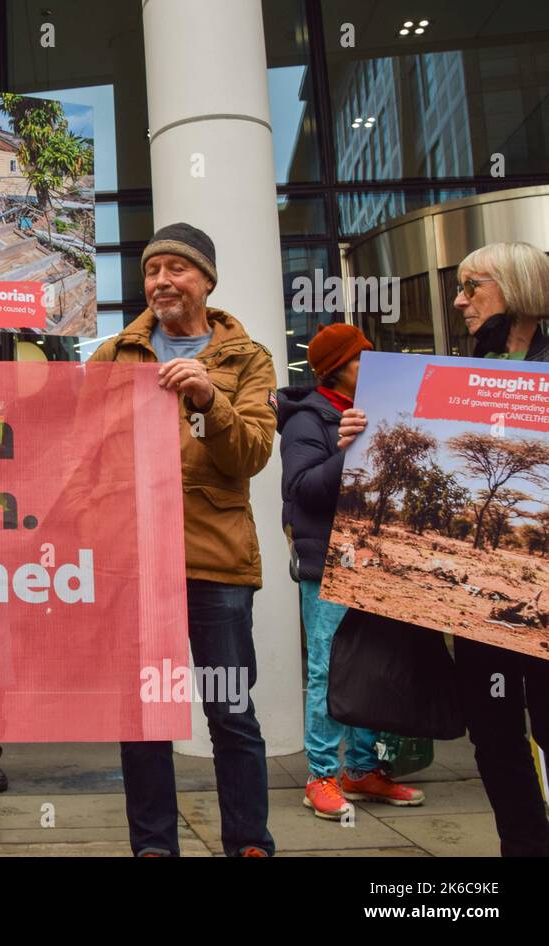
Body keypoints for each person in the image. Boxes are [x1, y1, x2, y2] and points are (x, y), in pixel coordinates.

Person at [340, 241, 549, 856]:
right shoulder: (466, 370)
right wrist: (359, 432)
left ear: (515, 288)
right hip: (484, 616)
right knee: (493, 730)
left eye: (472, 286)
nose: (458, 301)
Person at [89, 222, 276, 857]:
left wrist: (207, 399)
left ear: (206, 279)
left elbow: (250, 455)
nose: (162, 281)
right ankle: (153, 847)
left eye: (177, 269)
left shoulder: (247, 360)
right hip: (135, 567)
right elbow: (77, 447)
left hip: (215, 566)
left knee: (229, 713)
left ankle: (249, 843)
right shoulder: (115, 355)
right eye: (152, 271)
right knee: (144, 718)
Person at [278, 323, 425, 819]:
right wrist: (348, 452)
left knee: (374, 668)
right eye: (363, 359)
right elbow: (303, 490)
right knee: (329, 669)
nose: (374, 366)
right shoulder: (308, 419)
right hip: (331, 564)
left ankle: (362, 771)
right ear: (336, 369)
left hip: (377, 562)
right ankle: (320, 775)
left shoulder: (372, 413)